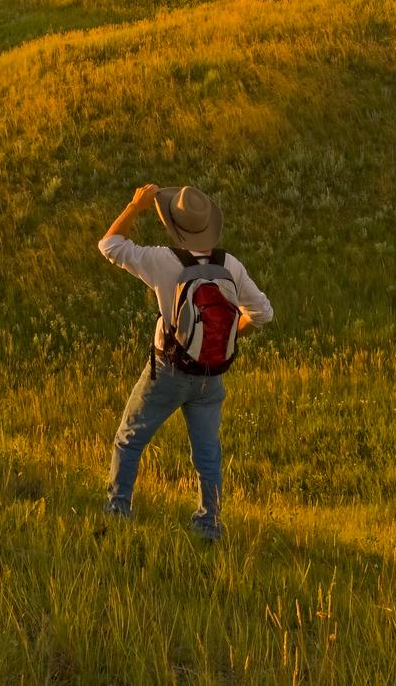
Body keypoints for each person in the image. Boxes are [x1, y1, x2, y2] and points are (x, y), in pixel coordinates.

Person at [98, 182, 274, 540]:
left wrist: (134, 206)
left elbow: (109, 245)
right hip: (211, 373)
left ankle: (118, 511)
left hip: (169, 371)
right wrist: (225, 336)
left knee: (130, 439)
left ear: (175, 228)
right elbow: (263, 313)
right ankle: (208, 525)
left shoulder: (165, 261)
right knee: (207, 453)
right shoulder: (230, 265)